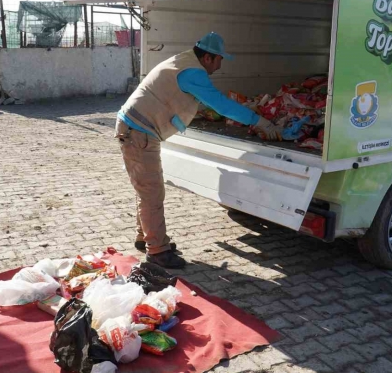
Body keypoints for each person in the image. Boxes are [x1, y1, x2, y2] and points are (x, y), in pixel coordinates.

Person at [115, 32, 282, 268]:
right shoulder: (193, 72)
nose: (220, 65)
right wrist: (258, 121)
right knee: (151, 192)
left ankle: (148, 238)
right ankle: (158, 251)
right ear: (208, 57)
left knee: (147, 189)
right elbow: (221, 105)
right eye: (219, 59)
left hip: (136, 128)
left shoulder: (183, 62)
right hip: (139, 131)